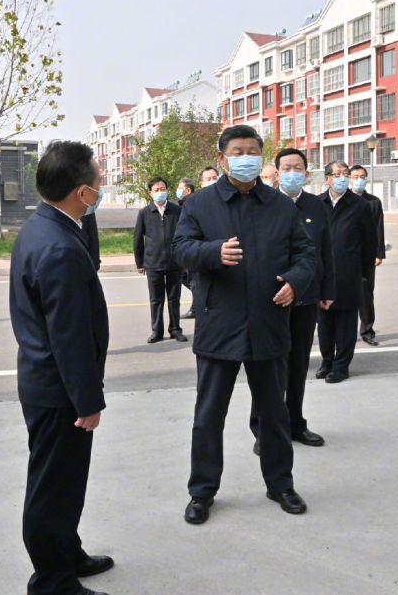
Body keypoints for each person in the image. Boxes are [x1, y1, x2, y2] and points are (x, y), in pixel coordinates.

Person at [173, 125, 316, 524]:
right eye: (238, 152)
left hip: (269, 322)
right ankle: (202, 491)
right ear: (222, 158)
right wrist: (213, 252)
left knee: (274, 413)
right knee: (208, 416)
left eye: (253, 151)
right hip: (219, 323)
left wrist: (295, 281)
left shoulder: (279, 205)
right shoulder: (199, 204)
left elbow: (306, 253)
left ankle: (280, 483)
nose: (246, 158)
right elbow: (180, 249)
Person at [9, 141, 113, 595]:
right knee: (53, 489)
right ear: (80, 191)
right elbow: (69, 335)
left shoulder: (44, 226)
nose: (101, 185)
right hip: (59, 390)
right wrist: (87, 401)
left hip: (47, 382)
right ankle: (52, 580)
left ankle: (67, 553)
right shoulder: (59, 247)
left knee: (66, 482)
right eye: (97, 178)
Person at [251, 147, 334, 453]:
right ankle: (263, 430)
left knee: (298, 365)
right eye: (286, 168)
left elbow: (325, 251)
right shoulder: (263, 203)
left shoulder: (316, 206)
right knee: (269, 367)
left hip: (306, 297)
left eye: (298, 168)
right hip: (272, 297)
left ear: (306, 173)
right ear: (276, 172)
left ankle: (296, 423)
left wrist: (327, 290)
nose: (292, 172)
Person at [316, 160, 378, 383]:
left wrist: (364, 273)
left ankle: (341, 366)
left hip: (349, 273)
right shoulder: (317, 204)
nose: (342, 178)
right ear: (327, 179)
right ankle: (326, 361)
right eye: (337, 174)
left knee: (345, 323)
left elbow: (370, 242)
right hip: (322, 274)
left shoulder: (359, 205)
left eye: (345, 173)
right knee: (324, 323)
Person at [133, 177, 187, 344]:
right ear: (150, 193)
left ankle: (175, 329)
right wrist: (139, 263)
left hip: (174, 263)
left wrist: (185, 260)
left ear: (167, 190)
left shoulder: (177, 210)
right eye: (156, 190)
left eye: (162, 189)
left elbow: (185, 236)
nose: (160, 192)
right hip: (153, 263)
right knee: (156, 299)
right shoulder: (144, 213)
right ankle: (157, 331)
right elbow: (137, 239)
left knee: (174, 299)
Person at [349, 164, 385, 346]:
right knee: (344, 294)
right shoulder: (342, 200)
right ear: (349, 179)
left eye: (362, 177)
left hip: (366, 256)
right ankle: (346, 332)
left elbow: (379, 229)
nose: (359, 180)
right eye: (355, 176)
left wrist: (379, 253)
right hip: (345, 255)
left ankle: (367, 331)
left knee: (365, 296)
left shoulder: (373, 202)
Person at [182, 168, 220, 321]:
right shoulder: (194, 203)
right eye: (208, 179)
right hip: (202, 261)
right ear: (201, 183)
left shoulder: (228, 201)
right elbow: (186, 239)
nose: (212, 181)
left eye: (215, 178)